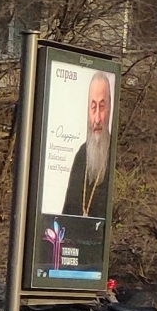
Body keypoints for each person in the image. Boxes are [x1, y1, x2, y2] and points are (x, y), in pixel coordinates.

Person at [62, 70, 115, 216]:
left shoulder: (116, 152)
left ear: (110, 107)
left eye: (102, 107)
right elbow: (67, 211)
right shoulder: (82, 154)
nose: (97, 119)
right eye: (93, 108)